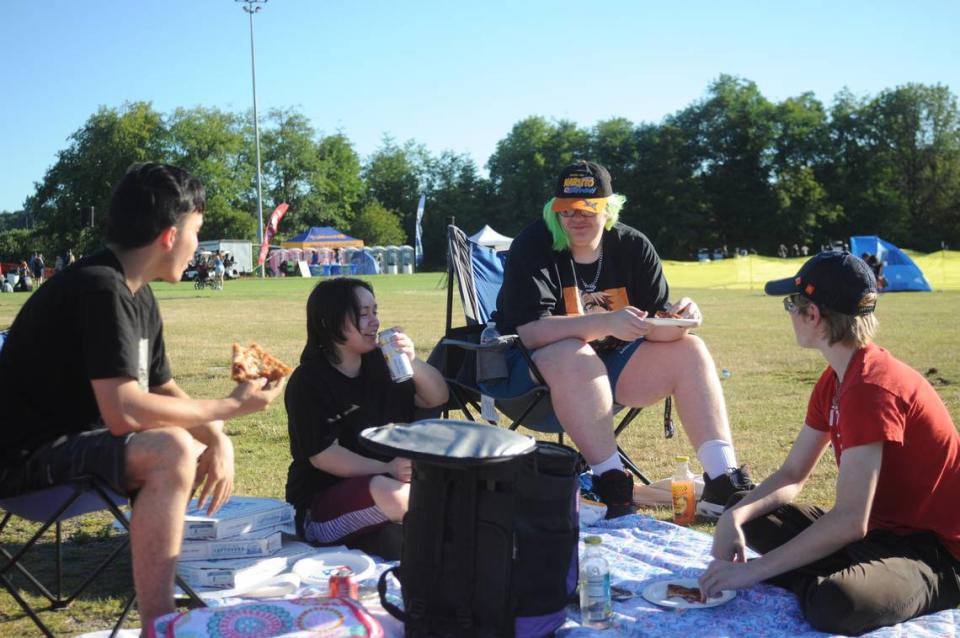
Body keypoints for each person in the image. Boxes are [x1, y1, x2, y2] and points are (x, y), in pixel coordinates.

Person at [0, 163, 285, 630]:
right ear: (170, 235)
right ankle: (160, 621)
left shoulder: (137, 292)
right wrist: (232, 408)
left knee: (186, 443)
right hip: (23, 462)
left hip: (73, 447)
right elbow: (125, 411)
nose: (198, 245)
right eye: (197, 231)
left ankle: (166, 588)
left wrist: (217, 437)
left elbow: (160, 386)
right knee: (171, 447)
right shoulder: (100, 288)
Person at [700, 251, 960, 635]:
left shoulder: (871, 388)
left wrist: (755, 571)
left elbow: (850, 521)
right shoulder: (837, 378)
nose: (789, 313)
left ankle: (830, 578)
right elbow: (792, 474)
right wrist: (731, 517)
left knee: (835, 603)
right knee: (747, 509)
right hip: (877, 530)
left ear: (813, 316)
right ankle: (825, 571)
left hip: (932, 550)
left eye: (792, 304)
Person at [488, 160, 754, 519]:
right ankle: (611, 482)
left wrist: (683, 320)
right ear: (555, 211)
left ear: (609, 209)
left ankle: (723, 482)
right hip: (532, 379)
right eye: (566, 211)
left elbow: (655, 325)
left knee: (691, 349)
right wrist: (607, 322)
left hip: (611, 373)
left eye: (587, 210)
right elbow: (532, 332)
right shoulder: (533, 245)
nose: (576, 219)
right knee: (573, 351)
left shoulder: (633, 246)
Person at [284, 278, 448, 558]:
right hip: (321, 506)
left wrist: (412, 361)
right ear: (330, 321)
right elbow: (324, 456)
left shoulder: (381, 362)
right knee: (400, 494)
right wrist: (386, 467)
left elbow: (437, 397)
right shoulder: (309, 380)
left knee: (440, 486)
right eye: (363, 314)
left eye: (375, 311)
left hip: (388, 483)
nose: (374, 321)